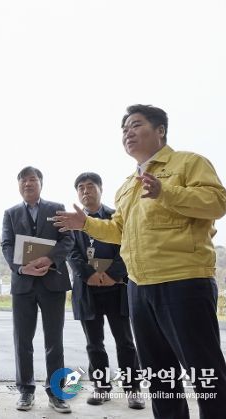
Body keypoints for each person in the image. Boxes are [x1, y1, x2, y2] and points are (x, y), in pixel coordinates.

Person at [53, 105, 226, 419]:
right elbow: (119, 231)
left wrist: (166, 192)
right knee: (159, 374)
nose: (128, 132)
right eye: (124, 128)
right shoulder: (128, 185)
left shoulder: (188, 163)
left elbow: (217, 202)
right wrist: (85, 224)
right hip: (139, 287)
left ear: (160, 130)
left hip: (183, 281)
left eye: (136, 125)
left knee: (204, 371)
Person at [67, 172, 144, 409]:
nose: (85, 191)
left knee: (125, 342)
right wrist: (88, 275)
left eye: (90, 186)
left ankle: (133, 389)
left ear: (101, 189)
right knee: (94, 343)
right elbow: (71, 251)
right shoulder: (73, 221)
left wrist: (112, 274)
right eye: (81, 187)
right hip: (88, 289)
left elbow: (128, 246)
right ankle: (101, 387)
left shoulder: (116, 216)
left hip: (116, 287)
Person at [1, 166, 74, 414]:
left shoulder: (57, 209)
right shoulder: (10, 213)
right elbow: (7, 245)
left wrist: (50, 259)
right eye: (23, 181)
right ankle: (25, 391)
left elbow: (68, 239)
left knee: (54, 340)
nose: (27, 184)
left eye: (32, 180)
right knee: (23, 340)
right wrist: (22, 269)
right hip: (23, 285)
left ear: (41, 183)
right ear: (18, 186)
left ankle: (57, 393)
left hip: (53, 283)